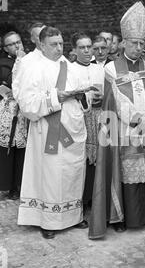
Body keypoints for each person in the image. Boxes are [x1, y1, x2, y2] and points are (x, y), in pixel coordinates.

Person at [13, 26, 99, 239]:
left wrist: (84, 97)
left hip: (73, 128)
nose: (59, 48)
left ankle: (74, 216)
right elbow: (26, 103)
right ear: (41, 45)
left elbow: (80, 93)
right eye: (53, 44)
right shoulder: (32, 68)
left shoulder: (67, 65)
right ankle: (49, 220)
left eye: (61, 43)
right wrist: (54, 98)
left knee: (73, 173)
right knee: (51, 176)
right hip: (47, 129)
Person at [89, 1, 145, 238]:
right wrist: (138, 118)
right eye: (134, 43)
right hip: (124, 130)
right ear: (123, 43)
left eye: (142, 43)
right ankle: (123, 217)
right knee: (126, 173)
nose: (139, 47)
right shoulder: (111, 68)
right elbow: (116, 100)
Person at [70, 32, 104, 213]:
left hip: (99, 117)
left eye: (88, 46)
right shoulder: (69, 69)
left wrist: (102, 97)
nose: (86, 50)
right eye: (81, 47)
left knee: (98, 159)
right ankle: (80, 200)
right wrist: (86, 97)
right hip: (80, 119)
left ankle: (94, 198)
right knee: (81, 159)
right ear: (74, 50)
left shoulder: (99, 68)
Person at [0, 31, 27, 200]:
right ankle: (9, 186)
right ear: (5, 48)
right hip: (8, 112)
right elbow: (9, 82)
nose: (16, 45)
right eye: (11, 44)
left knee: (23, 150)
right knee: (9, 148)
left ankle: (22, 184)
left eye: (18, 41)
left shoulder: (30, 60)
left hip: (26, 111)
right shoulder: (3, 62)